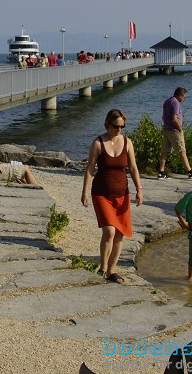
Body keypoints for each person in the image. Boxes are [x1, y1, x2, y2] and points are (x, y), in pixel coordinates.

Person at [81, 108, 143, 284]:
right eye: (116, 126)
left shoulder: (127, 142)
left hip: (122, 194)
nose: (119, 130)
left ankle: (111, 270)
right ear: (107, 124)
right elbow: (90, 169)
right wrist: (84, 191)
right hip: (101, 193)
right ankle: (103, 266)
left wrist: (139, 189)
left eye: (123, 126)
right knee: (109, 230)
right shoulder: (98, 143)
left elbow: (133, 168)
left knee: (119, 235)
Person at [159, 87, 192, 179]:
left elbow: (163, 116)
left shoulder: (167, 101)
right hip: (174, 131)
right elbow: (174, 119)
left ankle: (161, 172)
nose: (184, 99)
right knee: (182, 151)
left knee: (165, 151)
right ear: (180, 95)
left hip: (166, 129)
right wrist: (180, 128)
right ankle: (190, 171)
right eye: (184, 97)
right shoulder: (175, 103)